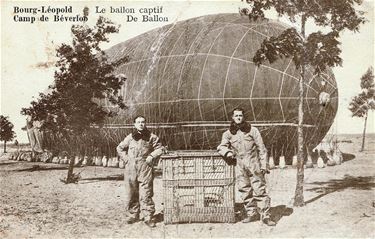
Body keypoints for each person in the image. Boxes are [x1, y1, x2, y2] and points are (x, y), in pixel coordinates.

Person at [217, 108, 276, 226]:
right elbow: (221, 147)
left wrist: (264, 165)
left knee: (259, 189)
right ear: (232, 118)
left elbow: (262, 149)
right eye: (236, 116)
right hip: (239, 165)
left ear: (243, 117)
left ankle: (266, 215)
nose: (238, 117)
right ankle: (251, 213)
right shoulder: (228, 133)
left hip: (254, 164)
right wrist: (228, 153)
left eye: (240, 115)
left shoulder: (253, 130)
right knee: (244, 190)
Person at [117, 115, 164, 228]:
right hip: (131, 167)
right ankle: (133, 215)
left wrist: (151, 156)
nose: (141, 124)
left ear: (145, 123)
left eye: (143, 122)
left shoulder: (151, 137)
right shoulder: (130, 137)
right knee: (132, 192)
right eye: (138, 122)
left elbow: (160, 148)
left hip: (145, 167)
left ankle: (148, 217)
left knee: (146, 192)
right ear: (134, 124)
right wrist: (126, 159)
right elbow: (119, 148)